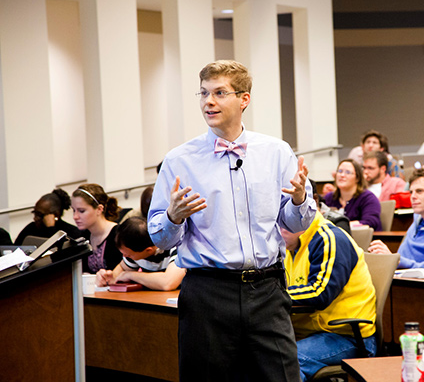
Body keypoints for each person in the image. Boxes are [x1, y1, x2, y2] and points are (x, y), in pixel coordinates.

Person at [147, 60, 316, 382]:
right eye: (204, 93)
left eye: (219, 93)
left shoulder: (276, 152)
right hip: (208, 293)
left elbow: (296, 225)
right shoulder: (179, 160)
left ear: (244, 99)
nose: (208, 102)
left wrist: (298, 200)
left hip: (267, 289)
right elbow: (160, 239)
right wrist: (173, 216)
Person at [283, 211, 377, 381]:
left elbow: (320, 293)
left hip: (346, 337)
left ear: (300, 218)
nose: (278, 231)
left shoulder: (329, 238)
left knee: (285, 362)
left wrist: (274, 297)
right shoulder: (290, 247)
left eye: (283, 224)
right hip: (308, 333)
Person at [95, 217, 185, 291]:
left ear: (148, 250)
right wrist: (105, 278)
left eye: (128, 255)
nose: (124, 257)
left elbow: (168, 283)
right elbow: (116, 276)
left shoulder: (175, 247)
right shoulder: (136, 252)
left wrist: (130, 275)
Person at [72, 183, 122, 274]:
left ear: (99, 209)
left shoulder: (119, 235)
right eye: (74, 210)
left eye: (81, 211)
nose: (75, 216)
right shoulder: (82, 237)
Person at [323, 159, 382, 231]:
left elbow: (370, 222)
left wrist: (342, 226)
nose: (342, 175)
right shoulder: (329, 198)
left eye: (347, 172)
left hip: (363, 239)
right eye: (340, 171)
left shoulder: (368, 198)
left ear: (357, 178)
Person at [14, 188, 82, 245]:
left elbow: (58, 251)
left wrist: (50, 229)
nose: (35, 218)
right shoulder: (30, 228)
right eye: (35, 213)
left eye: (40, 215)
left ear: (56, 215)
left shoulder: (71, 232)